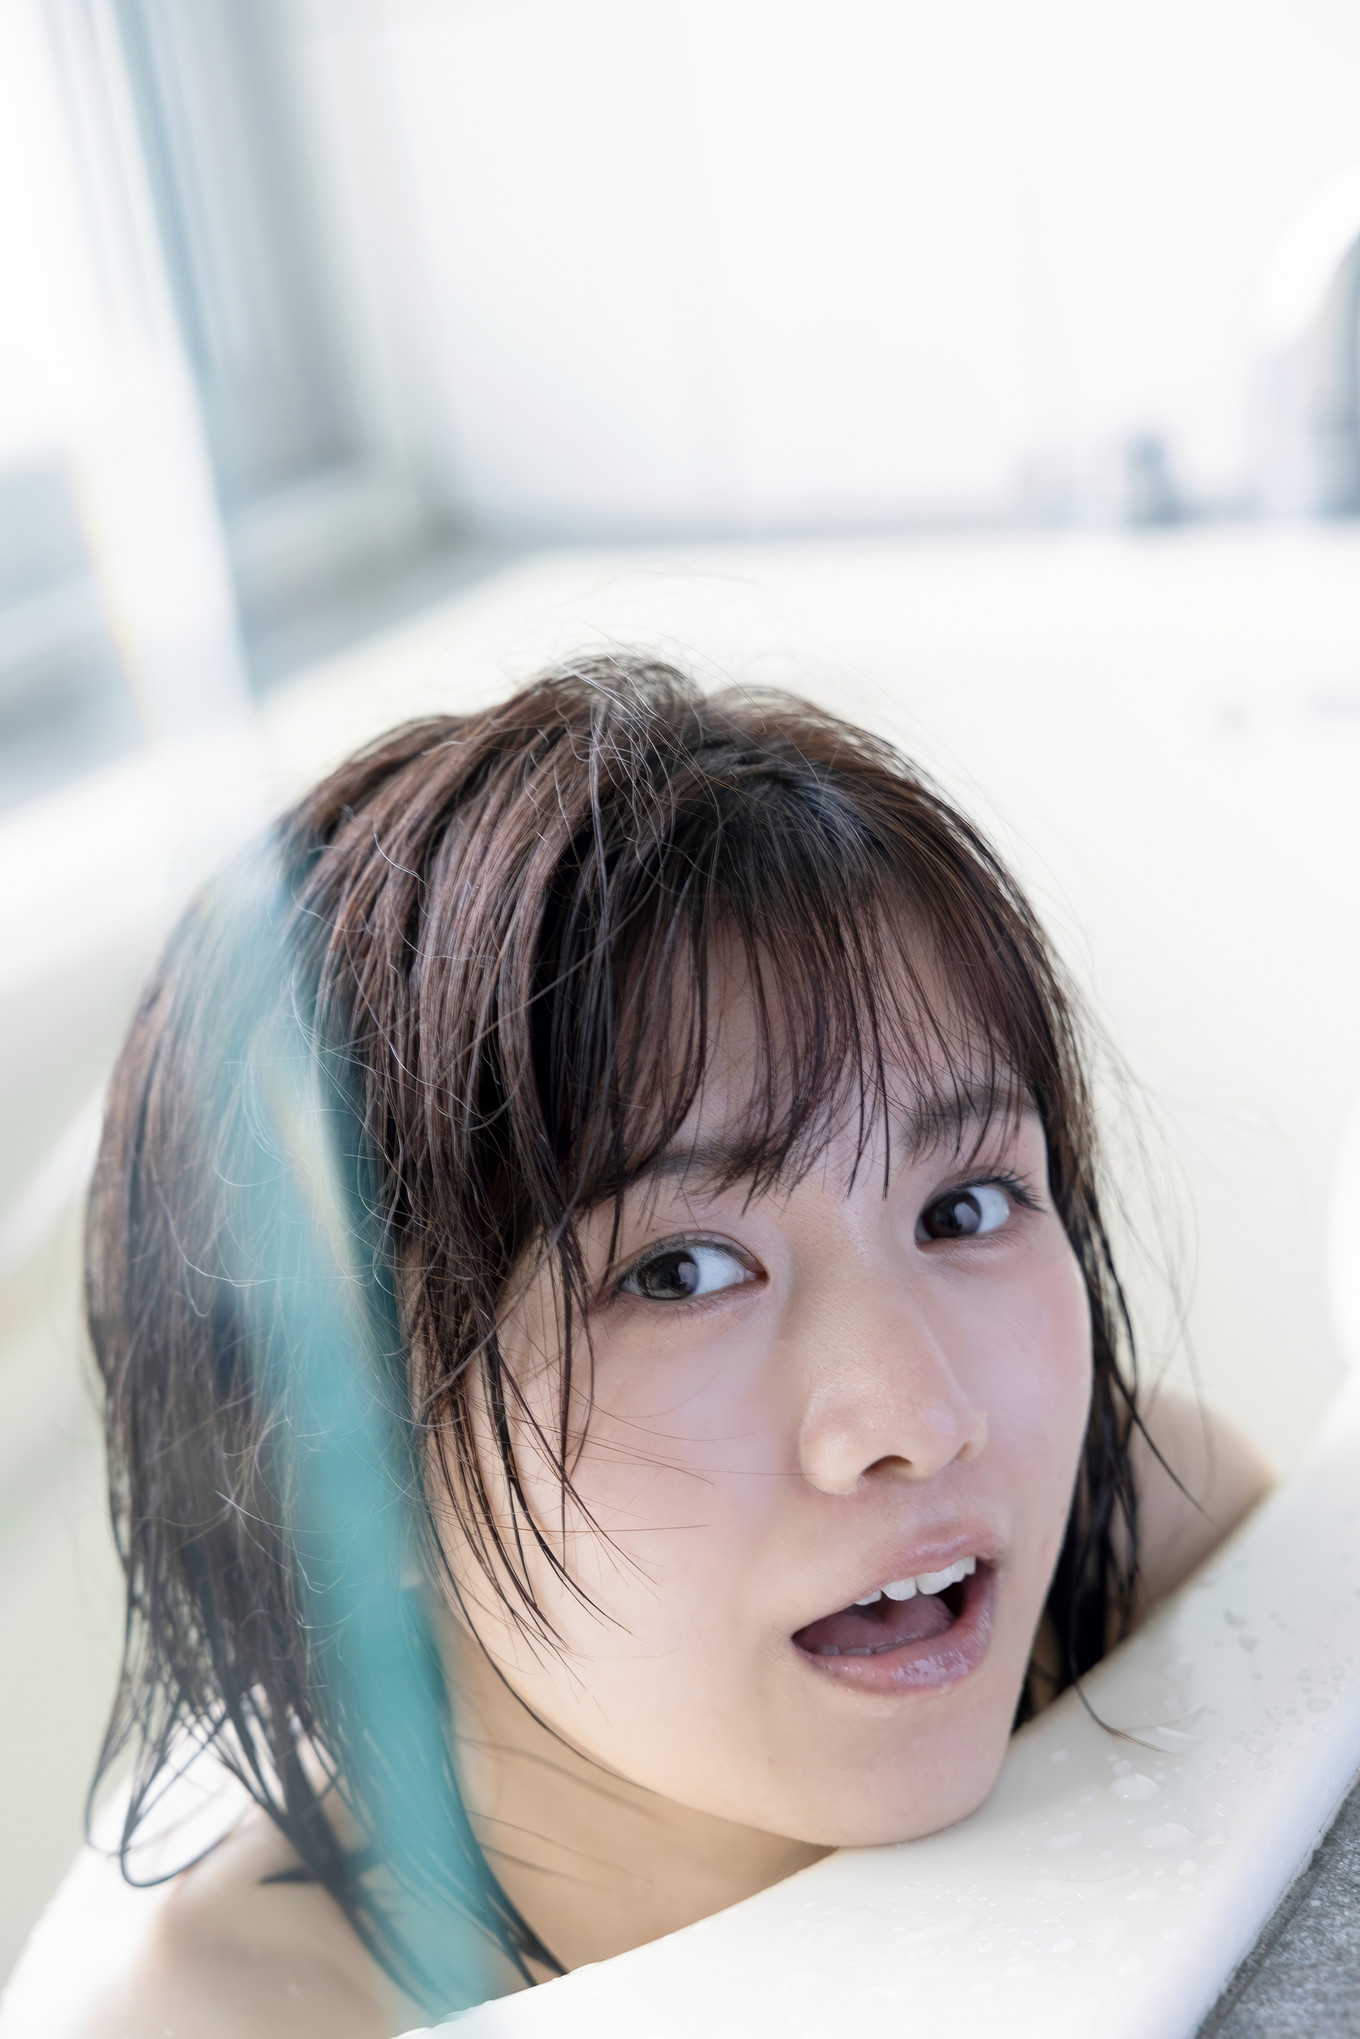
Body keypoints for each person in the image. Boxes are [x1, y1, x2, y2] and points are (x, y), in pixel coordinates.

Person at [1, 659, 1270, 2038]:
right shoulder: (221, 2017)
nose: (918, 1418)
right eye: (681, 1272)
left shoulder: (1178, 1562)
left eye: (963, 1206)